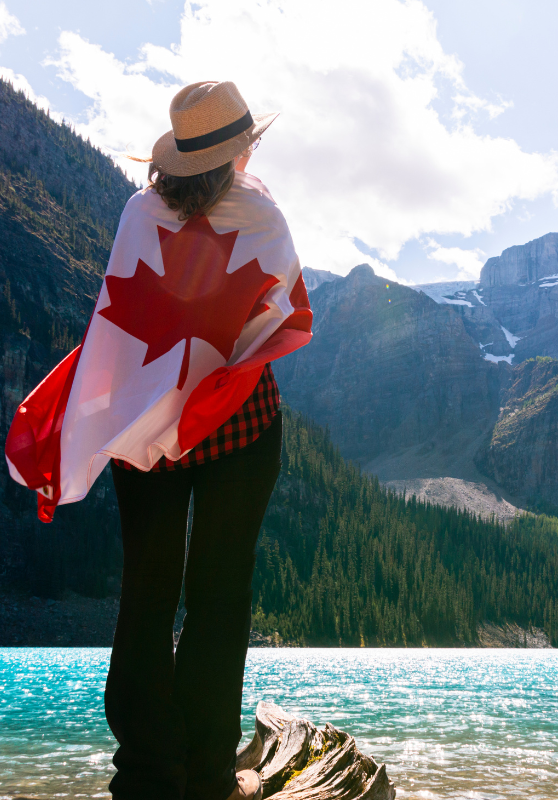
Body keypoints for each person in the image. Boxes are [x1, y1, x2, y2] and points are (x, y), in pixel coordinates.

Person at [4, 81, 313, 800]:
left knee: (145, 592)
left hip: (144, 435)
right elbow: (283, 314)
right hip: (239, 426)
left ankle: (144, 775)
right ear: (241, 149)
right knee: (219, 595)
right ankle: (208, 775)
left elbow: (119, 319)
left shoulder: (139, 212)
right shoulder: (261, 213)